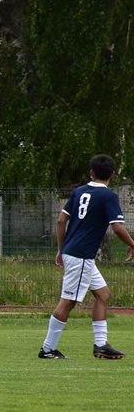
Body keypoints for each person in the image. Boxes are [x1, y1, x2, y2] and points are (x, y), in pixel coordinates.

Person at [39, 154, 134, 359]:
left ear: (91, 173)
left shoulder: (79, 191)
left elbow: (61, 220)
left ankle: (101, 345)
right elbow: (117, 228)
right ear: (113, 174)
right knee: (68, 301)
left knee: (103, 294)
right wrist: (132, 244)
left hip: (77, 254)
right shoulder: (108, 196)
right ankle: (47, 349)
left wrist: (61, 248)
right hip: (81, 255)